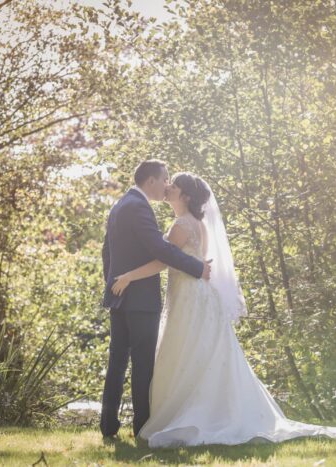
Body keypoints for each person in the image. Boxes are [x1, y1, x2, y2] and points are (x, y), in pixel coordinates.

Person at [111, 172, 336, 447]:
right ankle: (216, 411)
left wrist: (129, 276)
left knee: (185, 354)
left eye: (173, 185)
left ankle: (192, 415)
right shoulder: (199, 224)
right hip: (201, 297)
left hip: (188, 298)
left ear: (185, 196)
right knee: (205, 354)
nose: (167, 188)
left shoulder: (181, 226)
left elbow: (162, 261)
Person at [100, 160, 211, 438]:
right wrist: (198, 268)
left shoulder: (120, 205)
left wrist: (113, 282)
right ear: (151, 180)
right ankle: (142, 427)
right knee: (143, 364)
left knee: (117, 362)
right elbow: (160, 250)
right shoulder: (139, 207)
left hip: (121, 296)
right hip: (140, 301)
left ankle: (108, 424)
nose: (166, 186)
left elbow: (107, 252)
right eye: (164, 180)